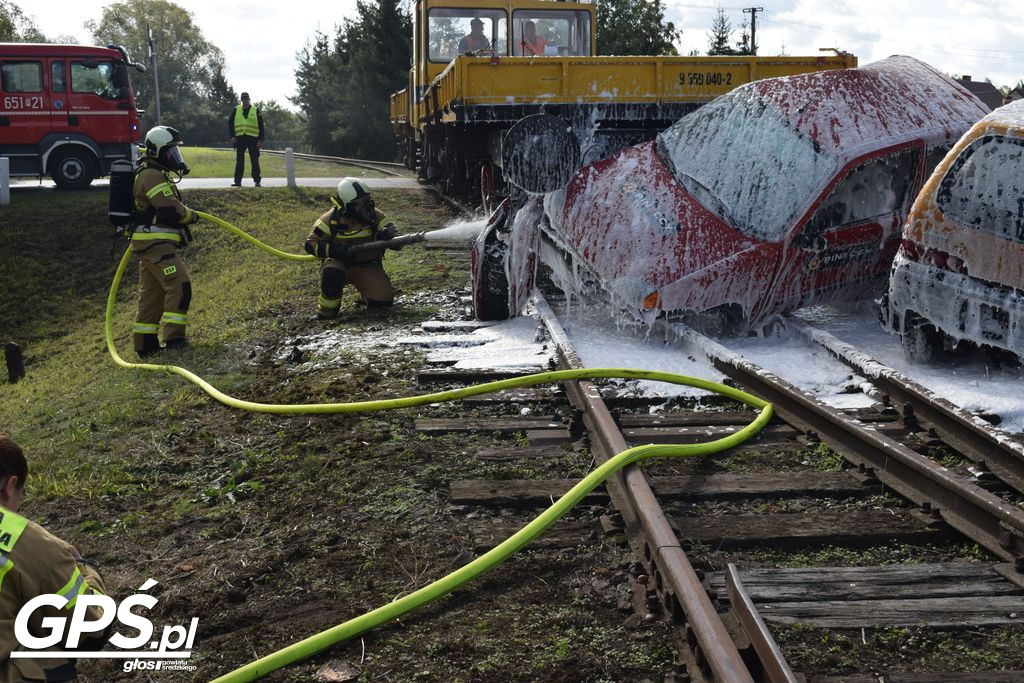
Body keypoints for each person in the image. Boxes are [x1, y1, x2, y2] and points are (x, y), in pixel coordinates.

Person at [0, 435, 109, 682]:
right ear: (10, 485)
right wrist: (85, 571)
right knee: (50, 659)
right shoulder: (24, 539)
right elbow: (87, 626)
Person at [131, 125, 198, 358]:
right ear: (157, 151)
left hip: (153, 245)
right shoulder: (151, 175)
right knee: (180, 285)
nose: (175, 157)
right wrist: (191, 215)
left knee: (152, 295)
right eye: (170, 152)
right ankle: (174, 340)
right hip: (155, 245)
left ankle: (145, 345)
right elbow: (170, 209)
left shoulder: (155, 173)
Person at [304, 178, 402, 319]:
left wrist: (388, 235)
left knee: (383, 302)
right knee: (332, 274)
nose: (366, 207)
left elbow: (397, 239)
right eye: (359, 204)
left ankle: (367, 294)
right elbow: (310, 244)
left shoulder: (376, 216)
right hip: (340, 265)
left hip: (368, 266)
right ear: (345, 206)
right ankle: (327, 310)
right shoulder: (330, 220)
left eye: (367, 201)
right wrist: (335, 251)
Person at [228, 92, 264, 187]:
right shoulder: (236, 109)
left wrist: (261, 140)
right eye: (243, 99)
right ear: (241, 100)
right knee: (239, 160)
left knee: (254, 160)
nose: (245, 100)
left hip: (253, 139)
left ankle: (257, 181)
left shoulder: (255, 110)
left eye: (246, 98)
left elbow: (261, 126)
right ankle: (237, 181)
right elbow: (230, 123)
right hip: (240, 139)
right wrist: (232, 136)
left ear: (249, 99)